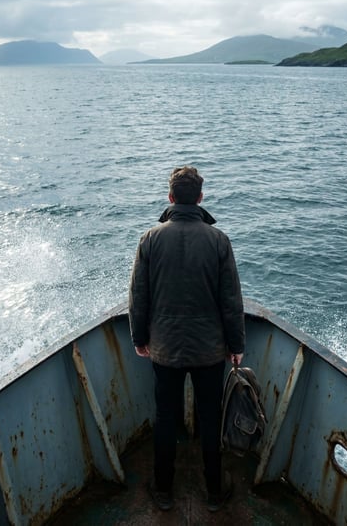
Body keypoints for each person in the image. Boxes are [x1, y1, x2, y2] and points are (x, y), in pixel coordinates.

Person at [128, 166, 245, 512]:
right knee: (210, 420)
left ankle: (163, 492)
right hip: (210, 351)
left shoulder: (149, 238)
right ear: (200, 198)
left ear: (170, 198)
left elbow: (138, 297)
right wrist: (236, 346)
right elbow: (231, 301)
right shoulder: (219, 240)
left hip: (164, 349)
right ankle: (213, 493)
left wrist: (139, 338)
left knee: (165, 418)